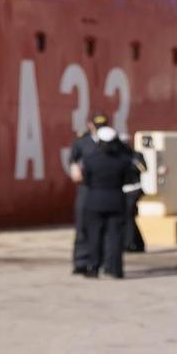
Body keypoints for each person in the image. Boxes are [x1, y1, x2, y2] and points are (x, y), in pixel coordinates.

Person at [69, 122, 141, 278]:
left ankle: (93, 268)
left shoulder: (90, 160)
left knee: (94, 235)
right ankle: (115, 269)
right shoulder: (122, 161)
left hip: (94, 201)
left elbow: (85, 180)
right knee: (115, 237)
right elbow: (128, 178)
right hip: (116, 200)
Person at [66, 114, 109, 274]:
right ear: (90, 124)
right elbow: (73, 159)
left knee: (104, 227)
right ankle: (81, 261)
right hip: (86, 187)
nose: (100, 129)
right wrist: (74, 168)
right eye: (97, 126)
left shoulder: (111, 140)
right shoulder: (82, 142)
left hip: (104, 187)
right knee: (82, 224)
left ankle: (101, 260)